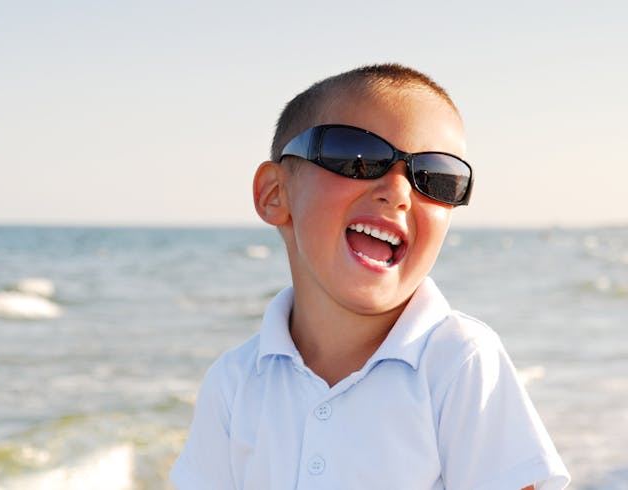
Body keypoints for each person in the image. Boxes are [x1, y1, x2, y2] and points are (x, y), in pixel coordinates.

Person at [170, 64, 570, 489]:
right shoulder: (234, 382)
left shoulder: (459, 362)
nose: (398, 192)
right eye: (357, 158)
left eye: (436, 178)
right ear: (275, 194)